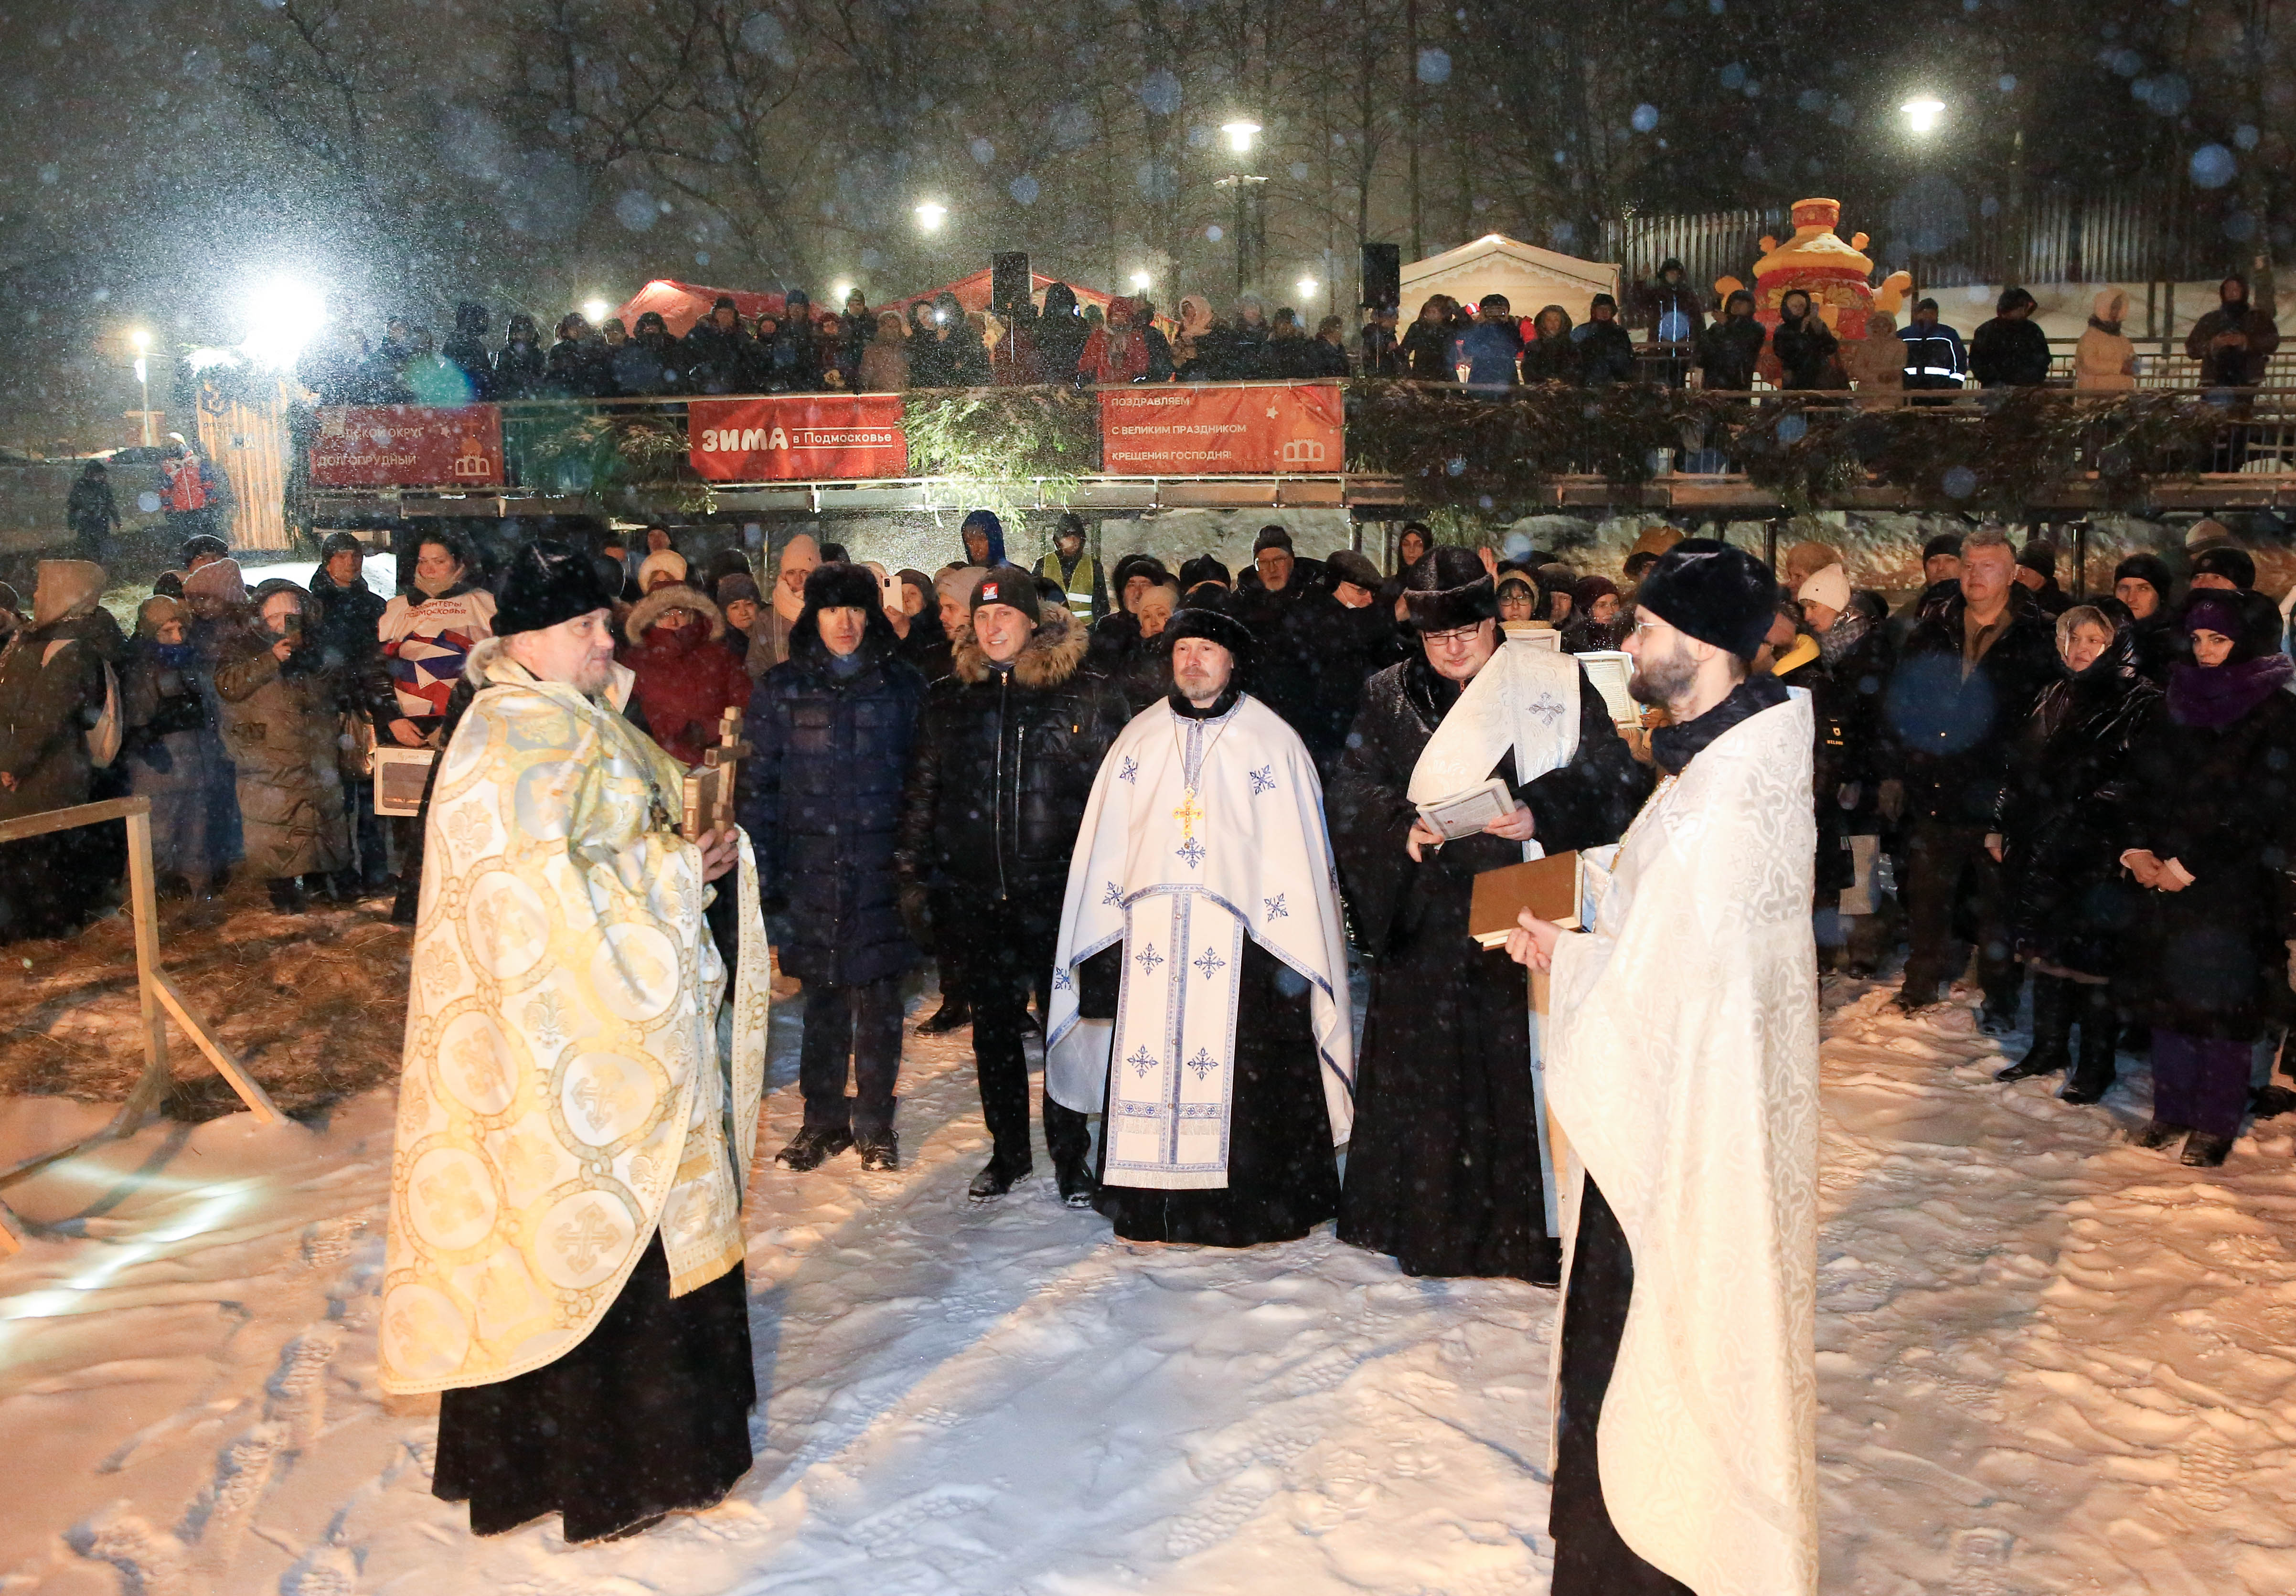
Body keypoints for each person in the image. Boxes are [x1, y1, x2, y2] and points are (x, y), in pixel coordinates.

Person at [377, 540, 767, 1543]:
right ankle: (608, 1468)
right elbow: (550, 908)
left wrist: (695, 844)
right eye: (589, 627)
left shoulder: (573, 721)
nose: (609, 640)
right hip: (565, 1065)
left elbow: (616, 848)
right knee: (590, 1259)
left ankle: (652, 1450)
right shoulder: (515, 740)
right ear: (530, 641)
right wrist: (681, 875)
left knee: (628, 1251)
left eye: (605, 622)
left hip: (607, 1045)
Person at [1504, 536, 1818, 1596]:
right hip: (1685, 1120)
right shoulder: (1722, 760)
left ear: (1698, 643)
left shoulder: (1724, 801)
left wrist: (1572, 959)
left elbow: (1670, 994)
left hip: (1680, 1142)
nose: (1626, 642)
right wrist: (1588, 902)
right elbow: (1674, 933)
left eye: (1642, 627)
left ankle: (1650, 1563)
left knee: (1645, 1342)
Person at [1328, 548, 1648, 1284]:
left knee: (1516, 1071)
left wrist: (1541, 808)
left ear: (1492, 622)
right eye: (1435, 637)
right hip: (1428, 917)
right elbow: (1350, 788)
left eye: (1465, 631)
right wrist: (1398, 826)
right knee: (1434, 1082)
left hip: (1522, 907)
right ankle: (1426, 1227)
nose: (1451, 648)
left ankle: (1520, 1234)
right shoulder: (1386, 695)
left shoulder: (1552, 680)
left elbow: (1613, 776)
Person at [1046, 602, 1356, 1241]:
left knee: (1247, 1078)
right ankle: (1151, 1206)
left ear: (1231, 660)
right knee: (1148, 1062)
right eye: (1182, 650)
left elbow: (1294, 857)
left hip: (1246, 948)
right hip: (1151, 945)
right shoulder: (1138, 740)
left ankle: (1245, 1208)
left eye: (1206, 651)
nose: (1191, 662)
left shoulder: (1273, 743)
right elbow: (1106, 847)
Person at [897, 568, 1128, 1201]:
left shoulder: (1083, 696)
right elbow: (922, 795)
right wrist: (914, 878)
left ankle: (1069, 1154)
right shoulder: (948, 699)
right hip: (975, 897)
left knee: (1065, 1031)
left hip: (1057, 897)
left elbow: (1116, 802)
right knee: (994, 1032)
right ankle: (1007, 1153)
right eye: (982, 617)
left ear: (1032, 623)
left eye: (1005, 616)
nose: (993, 627)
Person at [741, 562, 925, 1173]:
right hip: (810, 868)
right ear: (811, 617)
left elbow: (925, 783)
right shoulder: (780, 688)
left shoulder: (902, 685)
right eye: (830, 610)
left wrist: (914, 865)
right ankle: (821, 1120)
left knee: (878, 1002)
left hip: (881, 870)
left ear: (871, 614)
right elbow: (760, 787)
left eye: (854, 609)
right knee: (820, 1000)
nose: (844, 623)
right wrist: (763, 870)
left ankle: (874, 1121)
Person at [2120, 588, 2296, 1165]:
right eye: (2196, 638)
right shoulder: (2176, 698)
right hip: (2166, 875)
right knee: (2170, 996)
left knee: (2223, 1003)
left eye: (2218, 639)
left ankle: (2216, 1121)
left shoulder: (2274, 712)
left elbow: (2261, 807)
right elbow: (2144, 779)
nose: (2204, 650)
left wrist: (2188, 865)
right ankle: (2171, 1109)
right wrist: (2137, 847)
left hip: (2233, 883)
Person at [1882, 527, 2061, 1026]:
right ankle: (1919, 982)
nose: (1973, 575)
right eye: (1967, 565)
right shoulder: (1933, 630)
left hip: (1997, 795)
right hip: (1935, 787)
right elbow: (1902, 703)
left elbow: (2041, 721)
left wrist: (2021, 788)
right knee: (1926, 897)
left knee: (1997, 907)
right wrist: (1900, 770)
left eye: (1986, 567)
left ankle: (2000, 998)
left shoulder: (2036, 637)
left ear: (2010, 575)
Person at [1991, 604, 2161, 1106]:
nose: (2081, 649)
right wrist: (2002, 824)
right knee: (2046, 952)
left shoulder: (2139, 700)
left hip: (2097, 850)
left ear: (2117, 645)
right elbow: (2016, 765)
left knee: (2092, 962)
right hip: (2041, 844)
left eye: (2095, 640)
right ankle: (2046, 1048)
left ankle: (2095, 1062)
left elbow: (2137, 779)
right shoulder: (2053, 692)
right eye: (2074, 637)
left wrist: (2079, 810)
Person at [214, 582, 353, 912]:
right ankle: (282, 892)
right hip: (267, 753)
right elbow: (228, 685)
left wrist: (311, 656)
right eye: (274, 614)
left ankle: (321, 881)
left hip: (313, 749)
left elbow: (336, 682)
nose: (283, 621)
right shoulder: (240, 645)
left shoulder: (316, 645)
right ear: (259, 616)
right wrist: (269, 659)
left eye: (291, 613)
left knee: (319, 815)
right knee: (273, 821)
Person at [0, 560, 112, 941]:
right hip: (34, 766)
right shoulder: (39, 638)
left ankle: (51, 931)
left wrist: (13, 762)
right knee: (30, 852)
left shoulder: (71, 648)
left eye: (41, 589)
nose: (33, 596)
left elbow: (46, 714)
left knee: (43, 853)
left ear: (66, 596)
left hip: (49, 771)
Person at [120, 596, 231, 897]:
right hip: (162, 768)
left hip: (197, 763)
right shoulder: (142, 666)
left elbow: (209, 707)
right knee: (156, 837)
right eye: (167, 631)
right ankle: (137, 903)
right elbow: (137, 717)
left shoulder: (191, 661)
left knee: (196, 836)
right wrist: (148, 743)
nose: (178, 637)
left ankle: (198, 898)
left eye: (180, 628)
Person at [308, 532, 395, 893]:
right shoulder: (313, 607)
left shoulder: (375, 605)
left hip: (368, 708)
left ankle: (375, 874)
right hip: (330, 711)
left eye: (356, 555)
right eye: (342, 556)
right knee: (336, 800)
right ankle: (341, 875)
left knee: (372, 796)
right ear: (328, 562)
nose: (351, 562)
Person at [616, 583, 752, 769]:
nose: (673, 622)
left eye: (680, 613)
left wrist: (707, 731)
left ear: (693, 614)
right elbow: (622, 715)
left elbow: (745, 704)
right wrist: (660, 738)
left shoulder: (721, 655)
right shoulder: (635, 661)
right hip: (656, 766)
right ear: (651, 620)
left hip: (715, 763)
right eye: (665, 615)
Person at [2186, 274, 2281, 390]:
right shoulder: (2211, 319)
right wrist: (2213, 344)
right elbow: (2192, 347)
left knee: (2242, 407)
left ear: (2244, 291)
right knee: (2215, 407)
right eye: (2228, 289)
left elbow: (2271, 341)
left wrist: (2246, 342)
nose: (2232, 293)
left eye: (2236, 289)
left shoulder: (2258, 318)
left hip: (2248, 379)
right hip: (2214, 379)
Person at [750, 534, 820, 675]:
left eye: (804, 572)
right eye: (791, 573)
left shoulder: (830, 611)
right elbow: (757, 666)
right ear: (783, 575)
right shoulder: (767, 618)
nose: (798, 579)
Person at [2113, 552, 2180, 682]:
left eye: (2143, 589)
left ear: (2161, 596)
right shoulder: (2103, 634)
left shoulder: (2174, 647)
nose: (2131, 598)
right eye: (2124, 588)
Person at [1036, 511, 1109, 623]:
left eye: (1077, 536)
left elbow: (1102, 607)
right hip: (1050, 633)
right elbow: (1033, 603)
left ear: (1082, 539)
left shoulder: (1094, 566)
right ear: (1058, 540)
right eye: (1067, 535)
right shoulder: (1043, 564)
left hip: (1086, 634)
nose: (1073, 540)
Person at [1971, 288, 2052, 388]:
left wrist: (2032, 378)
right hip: (1997, 391)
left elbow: (2043, 359)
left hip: (2027, 388)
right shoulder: (1987, 331)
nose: (2024, 311)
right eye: (2022, 307)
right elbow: (1978, 362)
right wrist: (1996, 381)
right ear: (2010, 308)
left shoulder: (2033, 330)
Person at [680, 297, 754, 394]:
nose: (725, 316)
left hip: (736, 389)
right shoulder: (699, 333)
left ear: (734, 315)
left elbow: (752, 360)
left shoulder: (742, 336)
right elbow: (685, 356)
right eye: (721, 313)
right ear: (715, 314)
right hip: (704, 387)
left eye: (729, 313)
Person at [159, 436, 224, 546]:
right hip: (180, 510)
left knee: (207, 538)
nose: (174, 448)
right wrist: (168, 508)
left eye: (177, 444)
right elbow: (165, 490)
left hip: (201, 507)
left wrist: (212, 501)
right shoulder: (167, 466)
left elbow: (209, 482)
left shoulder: (196, 461)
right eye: (170, 445)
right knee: (185, 541)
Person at [1452, 294, 1524, 393]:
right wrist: (1479, 325)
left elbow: (1518, 347)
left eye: (1499, 310)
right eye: (1490, 310)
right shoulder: (1478, 329)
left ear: (1507, 311)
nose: (1495, 315)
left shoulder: (1510, 328)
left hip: (1505, 378)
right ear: (1482, 312)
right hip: (1481, 378)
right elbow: (1468, 349)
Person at [1770, 288, 1840, 390]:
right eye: (1794, 306)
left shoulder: (1817, 324)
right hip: (1795, 378)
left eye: (1802, 306)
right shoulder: (1783, 330)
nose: (1799, 309)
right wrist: (1801, 333)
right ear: (1787, 309)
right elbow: (1782, 353)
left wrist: (1818, 328)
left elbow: (1831, 347)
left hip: (1820, 378)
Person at [1696, 289, 1765, 391]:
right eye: (1733, 303)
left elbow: (1742, 346)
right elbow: (1705, 347)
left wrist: (1726, 325)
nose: (1736, 306)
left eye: (1741, 303)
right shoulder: (1717, 327)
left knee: (1737, 406)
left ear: (1750, 307)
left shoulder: (1756, 328)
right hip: (1714, 378)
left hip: (1738, 379)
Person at [2075, 290, 2137, 392]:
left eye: (2119, 308)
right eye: (2113, 308)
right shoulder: (2090, 338)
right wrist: (2120, 368)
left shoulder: (2123, 339)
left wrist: (2134, 364)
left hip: (2122, 396)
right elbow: (2089, 364)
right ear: (2103, 308)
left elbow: (2134, 363)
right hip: (2096, 398)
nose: (2116, 312)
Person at [1900, 298, 1968, 390]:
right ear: (1917, 315)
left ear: (1937, 315)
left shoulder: (1948, 335)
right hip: (1909, 386)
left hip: (1941, 387)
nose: (1928, 316)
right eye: (1924, 313)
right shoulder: (1904, 335)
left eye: (1932, 313)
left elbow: (1960, 359)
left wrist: (1955, 383)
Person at [1575, 294, 1637, 389]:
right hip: (1590, 384)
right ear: (1594, 311)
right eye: (1601, 309)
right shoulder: (1583, 331)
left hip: (1617, 383)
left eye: (1608, 309)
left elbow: (1627, 358)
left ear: (1613, 312)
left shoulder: (1620, 332)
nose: (1604, 312)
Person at [1559, 575, 1630, 653]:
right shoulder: (1572, 642)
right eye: (1602, 605)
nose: (1611, 611)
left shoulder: (1627, 634)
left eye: (1615, 604)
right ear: (1587, 610)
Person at [66, 461, 118, 564]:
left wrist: (117, 519)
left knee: (101, 546)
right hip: (86, 523)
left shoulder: (104, 487)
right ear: (91, 474)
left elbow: (110, 504)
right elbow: (73, 505)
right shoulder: (81, 486)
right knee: (87, 546)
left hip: (101, 522)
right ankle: (90, 564)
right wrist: (73, 521)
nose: (103, 477)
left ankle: (97, 564)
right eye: (100, 474)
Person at [1399, 297, 1458, 383]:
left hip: (1445, 376)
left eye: (1434, 312)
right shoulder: (1418, 327)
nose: (1430, 315)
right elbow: (1404, 350)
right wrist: (1408, 374)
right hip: (1422, 375)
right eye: (1428, 312)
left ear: (1443, 314)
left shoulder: (1450, 327)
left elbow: (1467, 326)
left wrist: (1457, 310)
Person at [1520, 304, 1581, 385]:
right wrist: (1545, 383)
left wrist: (1562, 382)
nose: (1553, 324)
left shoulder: (1571, 347)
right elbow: (1529, 371)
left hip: (1566, 393)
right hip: (1540, 392)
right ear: (1543, 323)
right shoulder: (1533, 347)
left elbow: (1576, 370)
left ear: (1563, 323)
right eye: (1549, 320)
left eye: (1556, 320)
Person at [492, 313, 547, 399]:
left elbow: (541, 376)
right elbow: (501, 378)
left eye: (526, 332)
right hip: (511, 397)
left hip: (532, 397)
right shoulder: (505, 354)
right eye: (519, 332)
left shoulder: (537, 354)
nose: (522, 336)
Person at [2014, 541, 2072, 617]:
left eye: (2024, 570)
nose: (2017, 576)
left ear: (2042, 574)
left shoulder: (2064, 607)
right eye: (2016, 569)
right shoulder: (2012, 600)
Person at [857, 309, 909, 392]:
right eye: (890, 327)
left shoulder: (905, 348)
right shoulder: (872, 351)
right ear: (881, 329)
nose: (893, 330)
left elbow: (910, 374)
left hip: (904, 396)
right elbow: (865, 378)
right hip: (882, 396)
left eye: (896, 327)